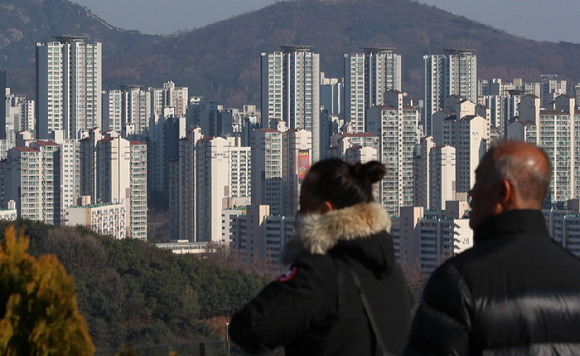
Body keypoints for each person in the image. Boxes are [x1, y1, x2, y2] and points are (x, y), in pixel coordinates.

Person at [404, 141, 580, 355]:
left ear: (502, 192)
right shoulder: (574, 275)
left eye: (477, 181)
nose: (471, 192)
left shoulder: (458, 282)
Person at [229, 159, 412, 356]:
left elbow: (249, 326)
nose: (298, 215)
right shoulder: (393, 271)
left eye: (302, 206)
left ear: (324, 211)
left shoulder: (321, 273)